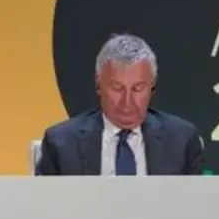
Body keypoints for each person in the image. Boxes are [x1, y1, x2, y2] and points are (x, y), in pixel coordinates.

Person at [36, 34, 204, 175]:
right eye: (117, 88)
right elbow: (46, 203)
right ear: (98, 84)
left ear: (152, 87)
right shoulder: (61, 144)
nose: (127, 102)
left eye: (138, 88)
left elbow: (195, 202)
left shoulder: (182, 141)